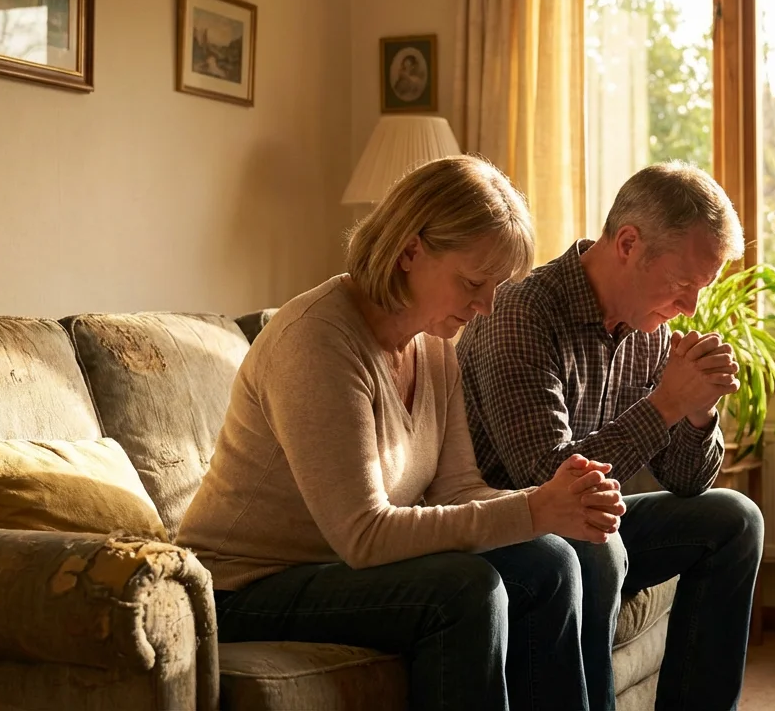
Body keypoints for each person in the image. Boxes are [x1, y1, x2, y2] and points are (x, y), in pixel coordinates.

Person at [176, 155, 626, 711]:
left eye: (497, 287)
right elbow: (364, 535)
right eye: (473, 282)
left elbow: (458, 490)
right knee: (465, 592)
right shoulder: (318, 341)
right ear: (410, 251)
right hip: (241, 588)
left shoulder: (433, 346)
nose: (486, 307)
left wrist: (557, 506)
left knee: (554, 560)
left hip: (336, 571)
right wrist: (533, 511)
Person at [457, 161, 764, 711]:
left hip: (591, 520)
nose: (691, 306)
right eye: (682, 283)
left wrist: (696, 410)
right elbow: (547, 479)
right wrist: (666, 402)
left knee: (734, 519)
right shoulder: (522, 309)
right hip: (509, 524)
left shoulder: (649, 330)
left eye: (702, 288)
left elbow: (688, 480)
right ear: (628, 243)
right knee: (596, 544)